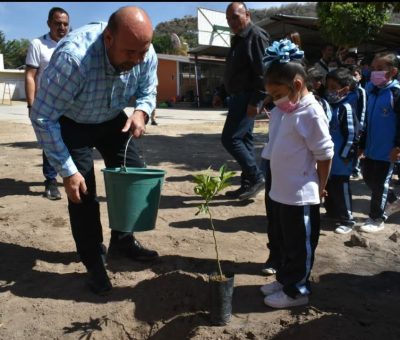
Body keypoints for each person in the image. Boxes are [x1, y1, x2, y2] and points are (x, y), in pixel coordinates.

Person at [30, 6, 159, 295]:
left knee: (133, 173)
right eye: (130, 53)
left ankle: (123, 241)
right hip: (72, 120)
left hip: (111, 115)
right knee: (82, 192)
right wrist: (67, 171)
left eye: (143, 52)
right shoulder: (73, 59)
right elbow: (43, 116)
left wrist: (141, 111)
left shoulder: (143, 51)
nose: (138, 60)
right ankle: (94, 261)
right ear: (108, 39)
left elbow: (149, 88)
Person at [260, 39, 334, 308]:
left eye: (278, 93)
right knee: (283, 240)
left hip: (300, 194)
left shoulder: (311, 113)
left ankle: (297, 291)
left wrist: (322, 185)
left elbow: (325, 154)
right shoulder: (284, 109)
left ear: (298, 85)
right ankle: (284, 279)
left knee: (299, 245)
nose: (274, 100)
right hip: (281, 190)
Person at [222, 2, 269, 201]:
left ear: (247, 14)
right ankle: (248, 185)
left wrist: (256, 101)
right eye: (229, 19)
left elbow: (263, 72)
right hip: (237, 97)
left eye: (235, 16)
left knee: (230, 139)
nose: (232, 22)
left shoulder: (256, 36)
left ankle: (257, 177)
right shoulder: (239, 39)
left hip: (246, 97)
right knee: (245, 140)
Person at [25, 7, 70, 200]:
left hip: (70, 104)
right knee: (51, 142)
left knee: (71, 140)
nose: (62, 27)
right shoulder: (38, 44)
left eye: (65, 24)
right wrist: (31, 105)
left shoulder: (71, 43)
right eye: (57, 23)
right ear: (49, 23)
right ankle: (51, 181)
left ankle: (70, 176)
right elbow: (30, 76)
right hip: (46, 104)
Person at [358, 51, 400, 233]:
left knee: (381, 184)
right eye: (373, 68)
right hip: (370, 148)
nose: (375, 72)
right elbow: (366, 120)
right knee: (368, 178)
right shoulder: (370, 90)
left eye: (380, 69)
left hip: (387, 149)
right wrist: (361, 145)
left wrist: (397, 147)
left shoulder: (396, 93)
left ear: (393, 71)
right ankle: (393, 201)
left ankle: (376, 218)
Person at [323, 68, 359, 234]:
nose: (329, 90)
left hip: (341, 160)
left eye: (333, 87)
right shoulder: (328, 107)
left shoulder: (346, 109)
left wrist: (345, 155)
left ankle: (347, 219)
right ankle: (332, 213)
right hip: (329, 159)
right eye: (327, 86)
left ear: (344, 89)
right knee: (329, 187)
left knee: (341, 188)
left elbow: (352, 135)